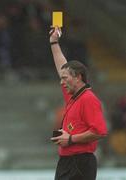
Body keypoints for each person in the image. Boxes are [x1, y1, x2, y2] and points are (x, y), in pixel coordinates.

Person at [50, 27, 108, 180]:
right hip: (66, 161)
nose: (62, 82)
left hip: (81, 162)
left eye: (65, 78)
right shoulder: (73, 96)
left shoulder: (88, 99)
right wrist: (54, 43)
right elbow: (62, 66)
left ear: (78, 77)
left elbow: (99, 131)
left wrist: (70, 139)